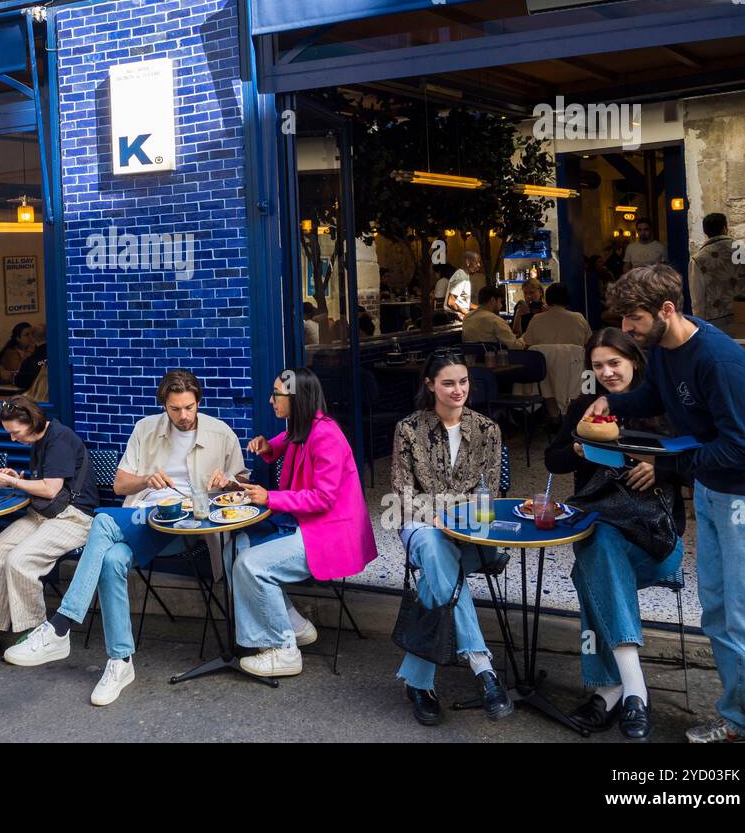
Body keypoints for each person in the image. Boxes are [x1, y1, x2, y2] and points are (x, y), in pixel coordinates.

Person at [585, 265, 745, 745]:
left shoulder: (720, 361)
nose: (629, 329)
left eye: (635, 318)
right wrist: (611, 406)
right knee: (718, 614)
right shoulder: (662, 351)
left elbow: (744, 448)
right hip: (716, 492)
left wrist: (669, 466)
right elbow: (657, 395)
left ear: (668, 309)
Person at [1, 370, 249, 704]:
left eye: (189, 407)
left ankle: (61, 626)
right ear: (164, 406)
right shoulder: (145, 429)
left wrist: (227, 482)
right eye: (175, 409)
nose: (184, 416)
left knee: (102, 521)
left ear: (198, 403)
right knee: (112, 559)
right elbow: (120, 486)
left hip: (192, 527)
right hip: (146, 517)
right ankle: (120, 662)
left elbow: (241, 488)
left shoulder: (221, 434)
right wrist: (147, 480)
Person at [546, 329, 686, 739]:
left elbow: (701, 459)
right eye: (598, 365)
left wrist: (663, 469)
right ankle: (633, 693)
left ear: (635, 362)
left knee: (589, 572)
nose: (606, 372)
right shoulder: (584, 408)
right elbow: (552, 460)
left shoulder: (663, 407)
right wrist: (576, 447)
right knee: (600, 547)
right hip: (605, 528)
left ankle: (609, 690)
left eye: (615, 363)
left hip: (658, 541)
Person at [213, 367, 377, 679]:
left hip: (330, 532)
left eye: (277, 394)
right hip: (302, 524)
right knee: (234, 548)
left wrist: (269, 498)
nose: (271, 400)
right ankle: (294, 625)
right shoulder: (301, 427)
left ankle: (282, 648)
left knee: (250, 564)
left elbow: (323, 498)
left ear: (296, 398)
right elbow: (282, 443)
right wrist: (266, 446)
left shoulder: (325, 435)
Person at [390, 353, 511, 725]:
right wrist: (436, 517)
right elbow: (401, 494)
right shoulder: (409, 428)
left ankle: (418, 682)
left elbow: (491, 494)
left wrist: (467, 520)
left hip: (470, 533)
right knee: (430, 544)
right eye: (448, 383)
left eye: (463, 382)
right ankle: (481, 665)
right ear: (430, 385)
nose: (458, 390)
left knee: (435, 576)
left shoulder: (487, 429)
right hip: (419, 522)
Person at [0, 396, 97, 673]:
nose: (13, 439)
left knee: (19, 560)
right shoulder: (39, 440)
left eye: (15, 432)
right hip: (45, 514)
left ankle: (37, 633)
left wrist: (13, 481)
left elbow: (50, 489)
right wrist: (20, 478)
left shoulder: (59, 438)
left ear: (32, 421)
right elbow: (46, 486)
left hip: (74, 518)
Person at [689, 213, 745, 334]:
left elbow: (697, 298)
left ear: (705, 232)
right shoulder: (743, 249)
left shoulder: (699, 259)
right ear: (725, 228)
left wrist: (699, 325)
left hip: (716, 319)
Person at [520, 282, 591, 347]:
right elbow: (589, 342)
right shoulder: (579, 318)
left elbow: (528, 344)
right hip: (573, 360)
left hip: (545, 360)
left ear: (547, 299)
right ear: (567, 299)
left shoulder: (536, 319)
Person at [445, 252, 480, 318]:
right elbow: (451, 302)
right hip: (455, 318)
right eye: (476, 262)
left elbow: (463, 303)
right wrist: (467, 313)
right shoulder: (461, 277)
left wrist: (480, 308)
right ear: (468, 262)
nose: (479, 265)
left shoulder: (465, 275)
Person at [14, 325, 48, 390]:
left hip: (35, 395)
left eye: (30, 335)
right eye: (27, 335)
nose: (29, 338)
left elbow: (19, 381)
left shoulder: (30, 361)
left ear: (33, 338)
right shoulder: (58, 355)